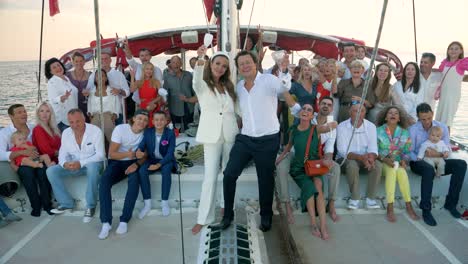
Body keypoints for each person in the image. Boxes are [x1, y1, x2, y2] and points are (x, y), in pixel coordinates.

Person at [220, 50, 300, 232]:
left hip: (268, 139)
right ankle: (227, 215)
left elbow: (285, 91)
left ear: (255, 63)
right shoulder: (238, 87)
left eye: (248, 62)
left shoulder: (268, 80)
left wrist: (297, 110)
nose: (245, 66)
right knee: (229, 174)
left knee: (265, 179)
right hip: (246, 138)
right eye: (241, 64)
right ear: (238, 68)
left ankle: (266, 216)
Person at [191, 46, 239, 235]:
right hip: (211, 135)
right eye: (217, 63)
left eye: (224, 66)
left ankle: (228, 208)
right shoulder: (202, 85)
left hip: (230, 134)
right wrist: (201, 57)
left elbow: (237, 109)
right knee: (210, 177)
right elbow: (196, 79)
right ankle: (203, 218)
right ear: (211, 64)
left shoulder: (229, 87)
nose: (220, 68)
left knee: (229, 175)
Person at [276, 104, 329, 240]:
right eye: (303, 109)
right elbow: (288, 147)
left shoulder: (315, 129)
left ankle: (323, 225)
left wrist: (332, 124)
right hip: (299, 168)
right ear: (299, 114)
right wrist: (279, 159)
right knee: (310, 188)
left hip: (313, 166)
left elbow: (330, 126)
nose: (305, 111)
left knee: (318, 186)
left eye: (309, 110)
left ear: (312, 116)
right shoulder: (293, 129)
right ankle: (313, 223)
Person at [409, 103, 466, 226]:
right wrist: (424, 157)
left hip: (438, 160)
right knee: (428, 169)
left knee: (461, 164)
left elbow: (448, 149)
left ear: (432, 114)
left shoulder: (442, 127)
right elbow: (410, 152)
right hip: (419, 162)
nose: (427, 122)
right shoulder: (413, 129)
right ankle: (426, 209)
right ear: (418, 118)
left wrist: (438, 155)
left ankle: (450, 204)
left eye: (429, 118)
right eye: (423, 119)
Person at [98, 109, 149, 239]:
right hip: (117, 161)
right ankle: (106, 222)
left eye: (145, 120)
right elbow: (112, 153)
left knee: (134, 181)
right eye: (139, 118)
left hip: (133, 163)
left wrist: (137, 163)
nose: (141, 122)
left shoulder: (146, 134)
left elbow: (146, 155)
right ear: (133, 119)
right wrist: (129, 154)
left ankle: (124, 220)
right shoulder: (121, 129)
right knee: (104, 181)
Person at [47, 109, 104, 223]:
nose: (74, 125)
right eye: (71, 122)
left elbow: (100, 155)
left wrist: (81, 163)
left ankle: (91, 206)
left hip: (92, 164)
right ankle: (66, 203)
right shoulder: (66, 132)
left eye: (77, 121)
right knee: (51, 171)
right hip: (74, 165)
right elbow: (62, 153)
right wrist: (65, 163)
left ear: (84, 119)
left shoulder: (95, 131)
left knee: (92, 168)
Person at [376, 106, 419, 222]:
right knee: (391, 171)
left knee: (401, 172)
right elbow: (374, 151)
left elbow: (407, 151)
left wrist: (404, 161)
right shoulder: (378, 131)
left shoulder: (405, 133)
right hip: (382, 162)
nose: (393, 115)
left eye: (396, 113)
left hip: (398, 162)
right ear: (386, 117)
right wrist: (385, 160)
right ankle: (390, 207)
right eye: (390, 113)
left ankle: (408, 205)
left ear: (399, 118)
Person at [336, 103, 382, 210]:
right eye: (355, 111)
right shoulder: (341, 126)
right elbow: (342, 151)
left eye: (361, 111)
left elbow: (373, 148)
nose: (358, 114)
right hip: (346, 159)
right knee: (352, 165)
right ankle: (355, 198)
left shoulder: (371, 126)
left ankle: (370, 199)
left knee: (378, 165)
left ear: (365, 113)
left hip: (364, 159)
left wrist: (370, 158)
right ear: (349, 112)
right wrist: (362, 158)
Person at [137, 111, 177, 219]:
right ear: (153, 121)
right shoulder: (148, 132)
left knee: (166, 171)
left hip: (165, 160)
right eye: (156, 120)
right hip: (151, 159)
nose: (159, 122)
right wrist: (138, 151)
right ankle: (147, 203)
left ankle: (164, 202)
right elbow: (141, 146)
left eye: (161, 120)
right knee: (141, 171)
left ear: (165, 121)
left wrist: (159, 165)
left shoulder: (170, 133)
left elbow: (170, 154)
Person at [86, 52, 130, 125]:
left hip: (115, 113)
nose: (104, 60)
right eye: (101, 59)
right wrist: (86, 93)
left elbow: (127, 92)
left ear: (110, 60)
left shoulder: (118, 74)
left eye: (106, 58)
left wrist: (119, 91)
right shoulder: (93, 75)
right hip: (97, 114)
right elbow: (89, 93)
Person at [435, 41, 468, 131]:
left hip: (452, 96)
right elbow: (440, 71)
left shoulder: (461, 63)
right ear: (448, 51)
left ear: (461, 51)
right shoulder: (445, 62)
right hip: (444, 95)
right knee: (440, 119)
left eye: (456, 49)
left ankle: (446, 142)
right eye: (451, 48)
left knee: (447, 120)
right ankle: (439, 141)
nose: (453, 50)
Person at [87, 69, 120, 146]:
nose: (100, 77)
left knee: (112, 139)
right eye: (97, 76)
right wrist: (90, 115)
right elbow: (89, 104)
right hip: (95, 116)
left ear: (105, 78)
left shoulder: (112, 90)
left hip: (108, 116)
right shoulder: (92, 91)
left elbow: (117, 104)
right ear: (95, 78)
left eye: (102, 75)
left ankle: (114, 156)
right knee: (95, 140)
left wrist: (115, 115)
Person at [45, 57, 79, 132]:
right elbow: (53, 100)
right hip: (63, 120)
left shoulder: (66, 78)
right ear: (50, 71)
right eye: (54, 67)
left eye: (58, 65)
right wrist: (63, 97)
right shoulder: (52, 82)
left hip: (74, 116)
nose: (58, 68)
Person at [163, 56, 195, 132]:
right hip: (174, 107)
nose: (176, 64)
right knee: (176, 130)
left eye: (178, 62)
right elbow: (165, 93)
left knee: (189, 129)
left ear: (181, 64)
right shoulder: (167, 77)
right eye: (173, 62)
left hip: (188, 106)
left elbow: (193, 91)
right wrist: (165, 105)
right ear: (170, 64)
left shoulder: (189, 75)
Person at [130, 62, 164, 127]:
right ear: (143, 70)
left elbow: (160, 95)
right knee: (144, 126)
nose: (149, 71)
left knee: (154, 126)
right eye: (147, 69)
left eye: (151, 69)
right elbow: (132, 90)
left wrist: (152, 102)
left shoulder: (156, 81)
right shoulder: (139, 82)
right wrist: (132, 77)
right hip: (143, 106)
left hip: (154, 106)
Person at [66, 52, 91, 121]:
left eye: (81, 61)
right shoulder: (67, 76)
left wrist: (89, 93)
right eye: (76, 61)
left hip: (87, 106)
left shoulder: (90, 75)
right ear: (73, 62)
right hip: (73, 105)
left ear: (84, 62)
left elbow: (94, 89)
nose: (79, 63)